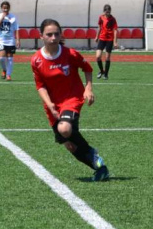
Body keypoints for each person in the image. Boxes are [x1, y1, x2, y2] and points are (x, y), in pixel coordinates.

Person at [30, 18, 110, 182]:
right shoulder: (36, 60)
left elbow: (87, 69)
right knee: (69, 145)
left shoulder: (70, 54)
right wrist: (49, 104)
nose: (53, 38)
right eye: (49, 34)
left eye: (56, 34)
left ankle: (92, 152)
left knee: (65, 129)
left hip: (72, 98)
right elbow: (40, 85)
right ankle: (100, 168)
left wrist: (88, 88)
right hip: (52, 105)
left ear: (61, 35)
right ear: (41, 36)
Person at [0, 1, 20, 81]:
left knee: (10, 58)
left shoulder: (13, 17)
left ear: (9, 8)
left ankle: (8, 75)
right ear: (1, 8)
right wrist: (2, 17)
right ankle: (4, 69)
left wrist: (18, 40)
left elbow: (17, 29)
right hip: (1, 40)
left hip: (11, 40)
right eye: (4, 8)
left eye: (7, 8)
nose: (5, 9)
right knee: (1, 58)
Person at [94, 4, 118, 80]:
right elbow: (99, 27)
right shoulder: (101, 17)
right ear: (104, 11)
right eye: (106, 12)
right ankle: (101, 71)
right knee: (98, 56)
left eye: (109, 12)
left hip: (109, 40)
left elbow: (115, 31)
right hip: (102, 38)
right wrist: (97, 36)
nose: (107, 14)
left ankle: (106, 74)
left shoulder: (113, 19)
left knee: (107, 57)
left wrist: (115, 42)